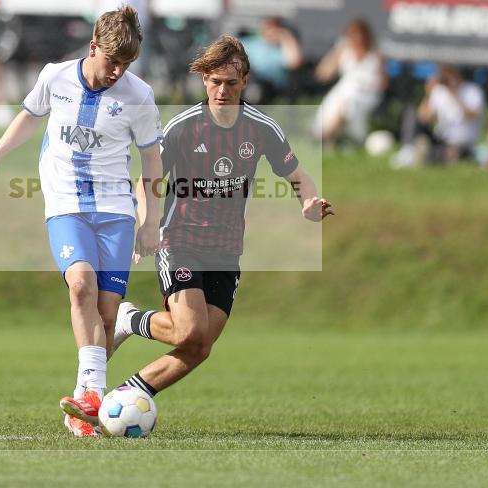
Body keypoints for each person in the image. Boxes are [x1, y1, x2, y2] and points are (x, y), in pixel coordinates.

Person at [103, 35, 331, 412]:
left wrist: (308, 201)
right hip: (180, 240)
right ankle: (130, 320)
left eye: (230, 82)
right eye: (214, 81)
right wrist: (147, 223)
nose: (222, 90)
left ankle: (133, 393)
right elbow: (149, 179)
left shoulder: (262, 129)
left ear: (245, 82)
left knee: (200, 345)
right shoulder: (183, 127)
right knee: (189, 330)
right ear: (204, 79)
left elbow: (298, 176)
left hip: (226, 251)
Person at [0, 6, 163, 438]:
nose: (117, 71)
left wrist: (150, 221)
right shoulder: (55, 76)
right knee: (81, 285)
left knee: (107, 316)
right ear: (93, 46)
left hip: (116, 208)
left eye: (126, 64)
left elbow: (152, 157)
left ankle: (82, 397)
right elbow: (28, 117)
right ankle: (94, 395)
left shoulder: (139, 96)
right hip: (65, 201)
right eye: (112, 60)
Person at [314, 18, 386, 146]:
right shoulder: (344, 50)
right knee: (339, 103)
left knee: (346, 104)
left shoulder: (376, 54)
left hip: (366, 96)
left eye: (359, 34)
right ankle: (329, 138)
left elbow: (383, 83)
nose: (356, 38)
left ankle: (327, 139)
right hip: (344, 91)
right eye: (352, 34)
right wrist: (337, 52)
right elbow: (322, 74)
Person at [395, 64, 485, 166]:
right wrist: (428, 93)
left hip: (462, 142)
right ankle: (407, 150)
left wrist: (455, 94)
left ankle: (429, 155)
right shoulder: (440, 92)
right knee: (411, 113)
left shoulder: (472, 91)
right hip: (441, 138)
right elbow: (423, 118)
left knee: (443, 155)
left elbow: (472, 116)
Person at [239, 16, 303, 105]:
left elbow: (295, 62)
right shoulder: (250, 43)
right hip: (248, 77)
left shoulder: (282, 49)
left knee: (256, 86)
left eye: (274, 27)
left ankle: (253, 93)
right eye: (267, 26)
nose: (270, 30)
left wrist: (286, 37)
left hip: (270, 85)